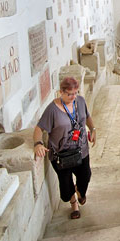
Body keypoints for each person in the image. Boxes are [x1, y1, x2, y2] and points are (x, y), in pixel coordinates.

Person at [33, 76, 96, 219]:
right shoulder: (52, 110)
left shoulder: (80, 101)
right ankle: (74, 204)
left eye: (75, 93)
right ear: (61, 92)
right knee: (66, 187)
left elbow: (87, 116)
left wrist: (93, 129)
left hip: (81, 150)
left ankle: (80, 192)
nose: (73, 96)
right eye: (69, 94)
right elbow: (39, 129)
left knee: (85, 176)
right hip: (61, 155)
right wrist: (38, 144)